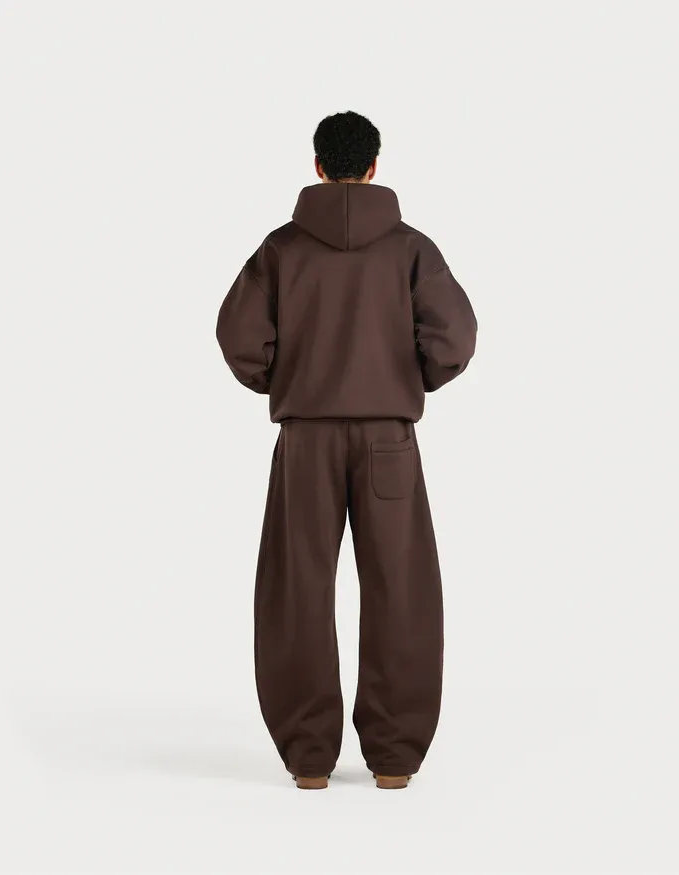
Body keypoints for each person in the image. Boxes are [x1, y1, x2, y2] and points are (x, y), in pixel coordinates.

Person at [216, 110, 477, 790]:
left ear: (317, 166)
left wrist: (288, 380)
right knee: (402, 590)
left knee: (296, 589)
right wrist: (403, 381)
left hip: (306, 436)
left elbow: (239, 337)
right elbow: (454, 339)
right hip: (390, 438)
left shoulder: (281, 250)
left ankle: (308, 757)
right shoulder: (412, 249)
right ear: (374, 166)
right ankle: (395, 758)